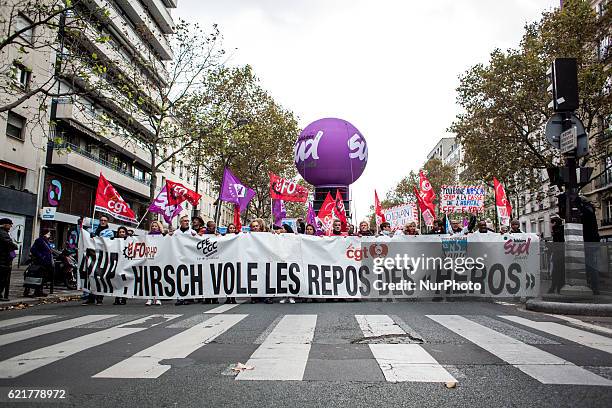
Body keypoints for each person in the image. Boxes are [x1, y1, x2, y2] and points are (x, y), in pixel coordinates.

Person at [27, 229, 54, 297]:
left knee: (44, 277)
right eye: (48, 233)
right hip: (41, 262)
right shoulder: (39, 240)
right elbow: (33, 249)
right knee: (39, 276)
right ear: (45, 234)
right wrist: (41, 256)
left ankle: (40, 291)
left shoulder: (46, 241)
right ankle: (36, 291)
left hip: (47, 262)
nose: (49, 234)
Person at [145, 221, 163, 306]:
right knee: (149, 279)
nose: (154, 227)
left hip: (159, 260)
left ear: (159, 227)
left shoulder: (162, 236)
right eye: (153, 226)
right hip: (149, 259)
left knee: (158, 279)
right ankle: (149, 298)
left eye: (156, 226)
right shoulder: (147, 237)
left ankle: (157, 297)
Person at [0, 218, 17, 301]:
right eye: (10, 224)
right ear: (5, 224)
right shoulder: (3, 233)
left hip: (4, 259)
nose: (11, 226)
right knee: (2, 279)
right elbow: (8, 243)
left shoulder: (4, 233)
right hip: (2, 259)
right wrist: (15, 246)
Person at [548, 217, 565, 294]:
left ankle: (554, 287)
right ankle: (558, 287)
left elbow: (556, 244)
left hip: (558, 254)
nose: (550, 225)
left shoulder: (557, 232)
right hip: (561, 254)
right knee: (560, 271)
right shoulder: (561, 230)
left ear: (554, 223)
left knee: (556, 271)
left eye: (551, 223)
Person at [113, 226, 129, 305]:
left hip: (126, 263)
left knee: (125, 281)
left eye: (123, 232)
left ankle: (123, 297)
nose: (121, 233)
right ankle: (117, 297)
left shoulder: (130, 241)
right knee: (117, 280)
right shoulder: (114, 241)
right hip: (117, 263)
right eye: (120, 232)